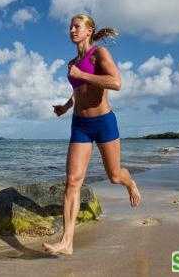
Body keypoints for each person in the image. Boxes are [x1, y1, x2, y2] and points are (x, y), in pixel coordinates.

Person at [42, 14, 141, 255]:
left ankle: (130, 183)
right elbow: (79, 90)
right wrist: (66, 107)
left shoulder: (99, 54)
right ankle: (67, 242)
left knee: (115, 176)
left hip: (104, 122)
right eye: (71, 27)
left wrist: (82, 74)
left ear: (89, 31)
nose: (72, 30)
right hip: (80, 125)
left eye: (77, 26)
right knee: (72, 182)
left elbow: (116, 82)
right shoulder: (72, 63)